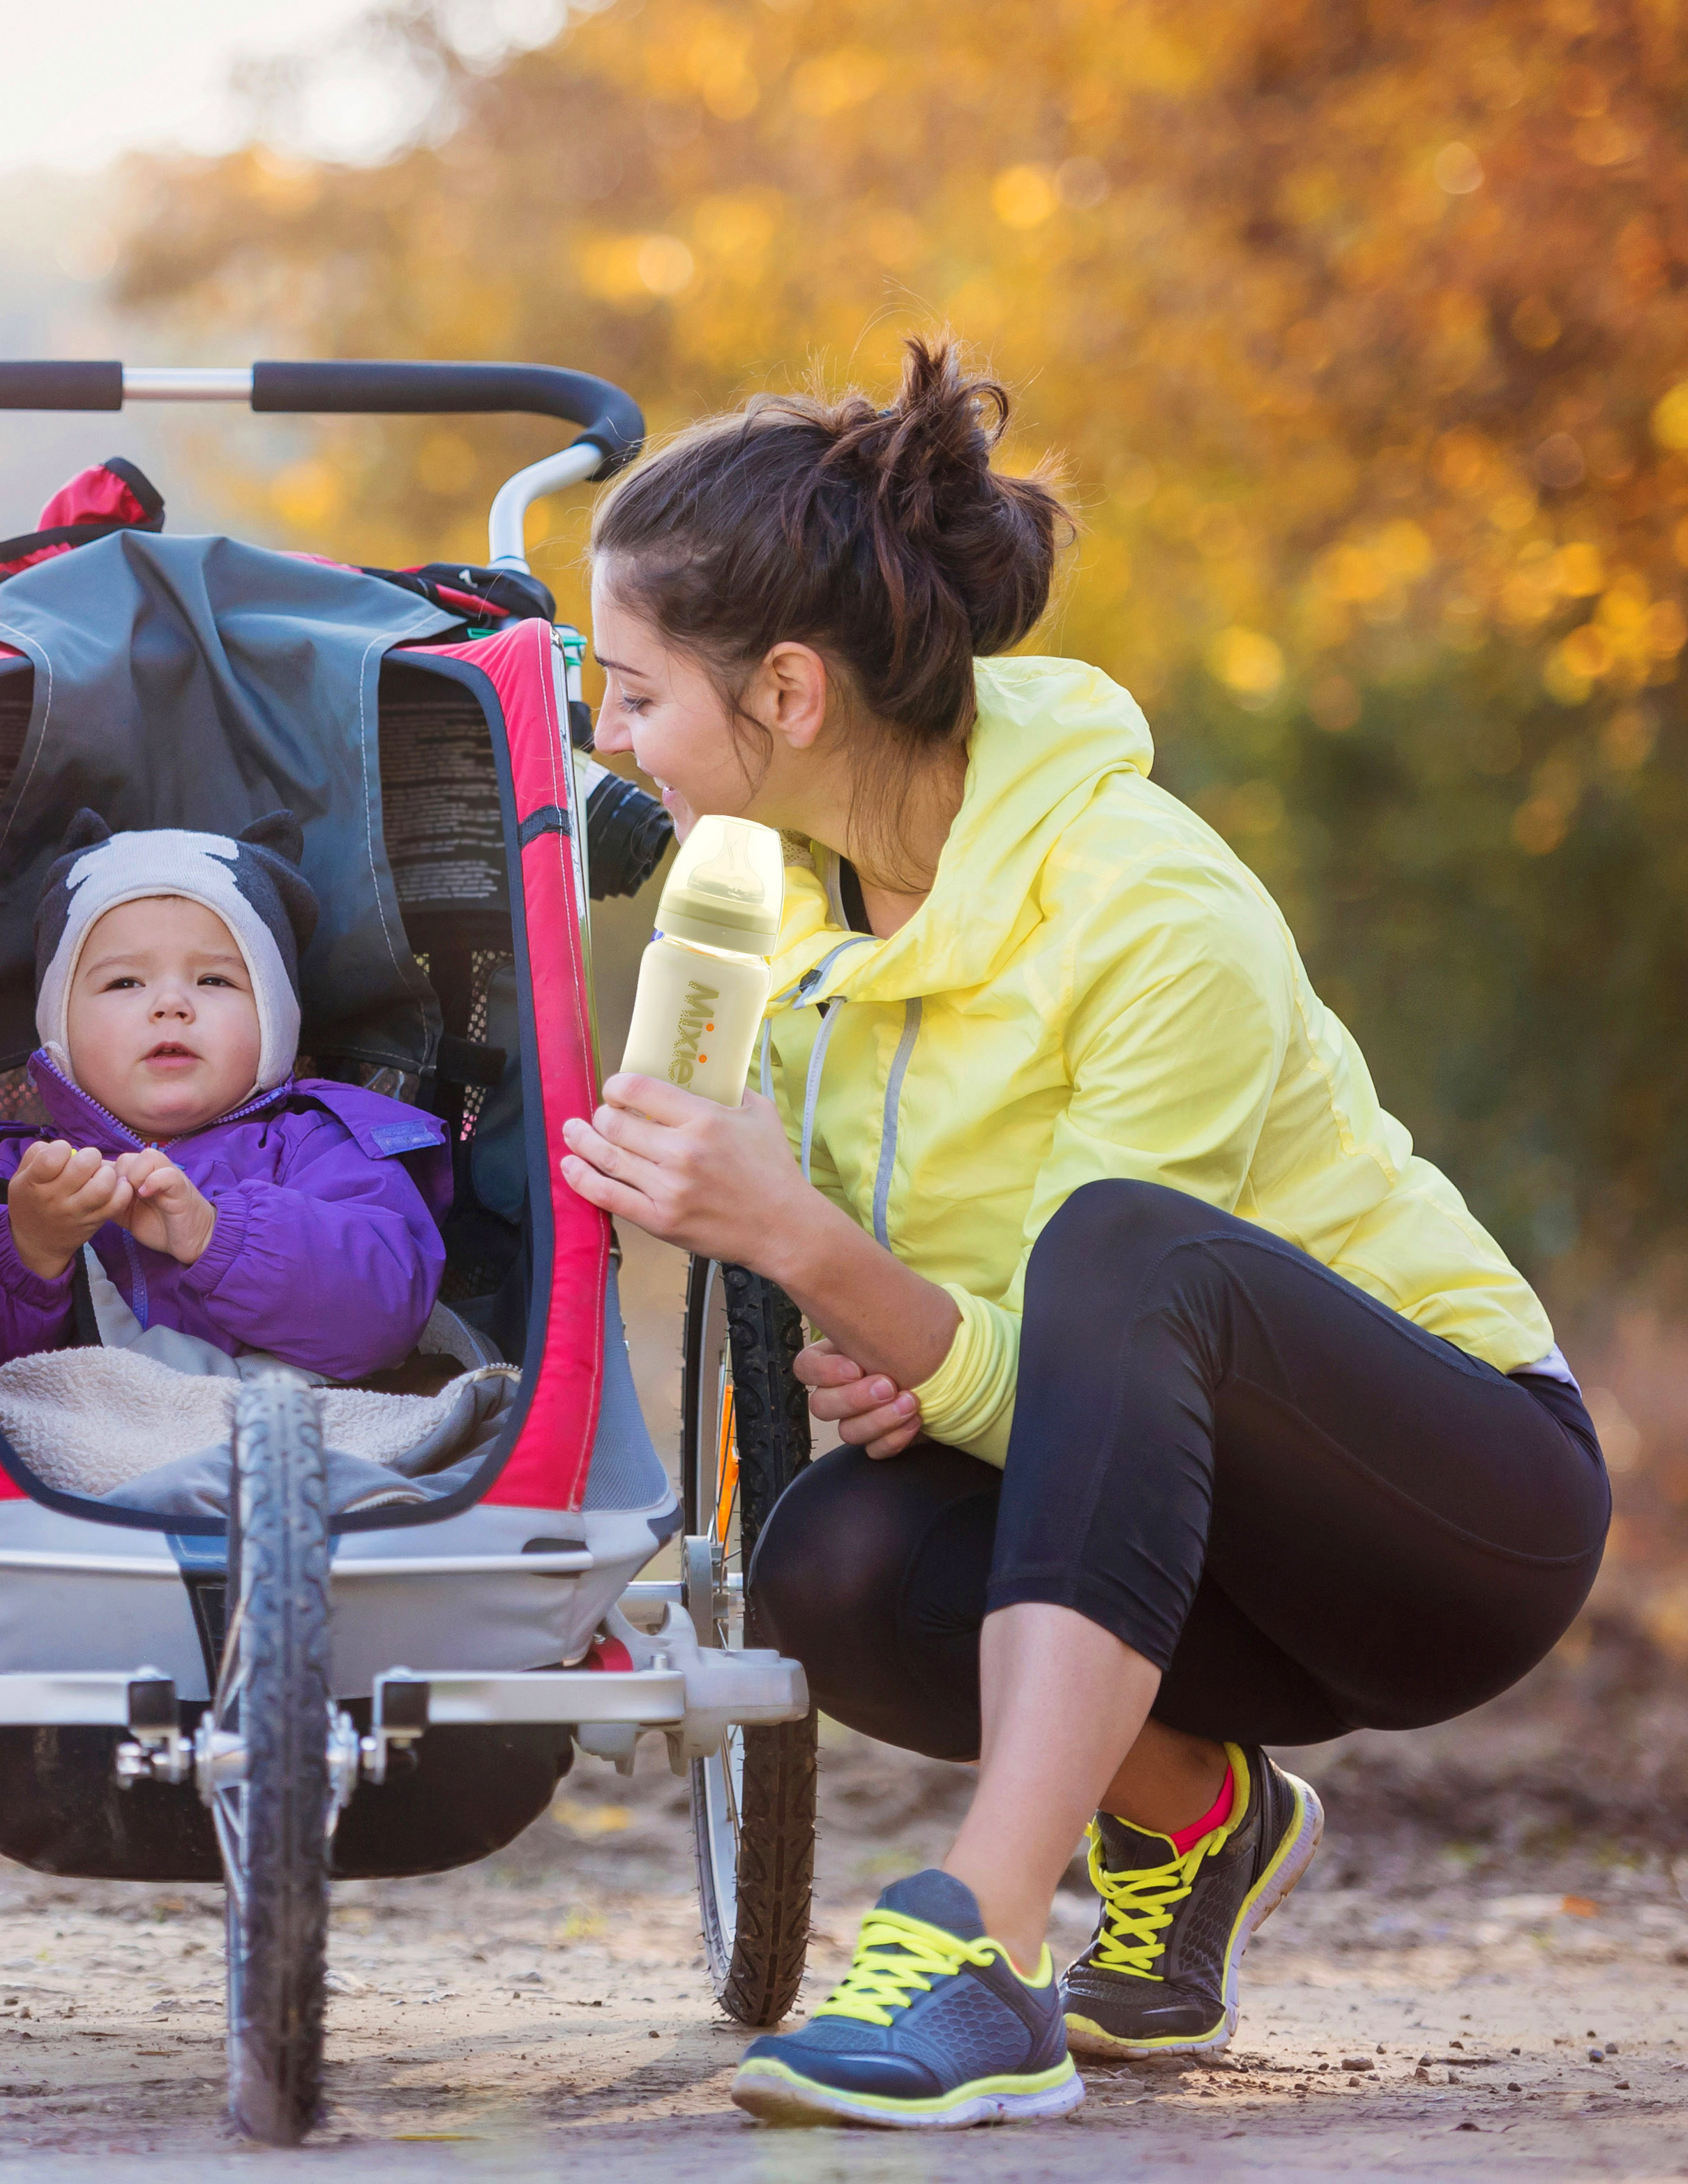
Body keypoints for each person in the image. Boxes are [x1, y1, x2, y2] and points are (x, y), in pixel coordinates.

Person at [559, 339, 1608, 2132]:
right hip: (1177, 1547)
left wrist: (820, 1255)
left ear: (789, 694)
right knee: (829, 1563)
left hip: (1448, 1512)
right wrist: (886, 1334)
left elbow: (1112, 1303)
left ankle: (980, 1937)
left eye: (633, 693)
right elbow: (1013, 1372)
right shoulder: (793, 926)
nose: (605, 738)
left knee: (1128, 1247)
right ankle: (1195, 1813)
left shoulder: (1143, 902)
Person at [0, 807, 448, 1381]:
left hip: (281, 1445)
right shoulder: (18, 1175)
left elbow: (388, 1315)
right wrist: (28, 1251)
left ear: (274, 1021)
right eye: (125, 982)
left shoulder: (321, 1146)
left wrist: (219, 1235)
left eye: (213, 980)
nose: (171, 1004)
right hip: (77, 1455)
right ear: (60, 1030)